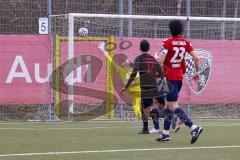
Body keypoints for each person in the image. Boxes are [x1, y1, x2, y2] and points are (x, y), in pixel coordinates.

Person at [155, 20, 203, 144]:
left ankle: (193, 126)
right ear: (181, 30)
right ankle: (165, 133)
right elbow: (196, 58)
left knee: (173, 106)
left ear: (170, 30)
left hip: (168, 77)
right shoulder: (186, 42)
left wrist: (156, 56)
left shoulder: (167, 42)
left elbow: (160, 60)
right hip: (178, 77)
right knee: (169, 106)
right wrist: (197, 72)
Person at [120, 39, 163, 134]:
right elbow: (161, 73)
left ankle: (147, 127)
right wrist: (153, 77)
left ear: (139, 48)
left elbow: (133, 74)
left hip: (145, 87)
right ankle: (148, 126)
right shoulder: (153, 59)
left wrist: (126, 86)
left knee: (144, 109)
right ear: (149, 48)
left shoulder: (138, 59)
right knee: (146, 107)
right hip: (154, 86)